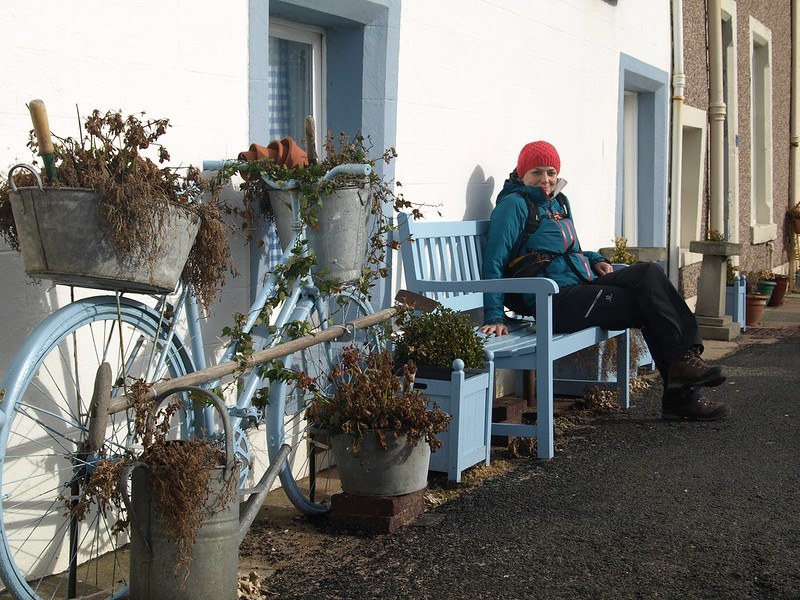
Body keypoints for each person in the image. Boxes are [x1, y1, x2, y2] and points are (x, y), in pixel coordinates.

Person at [478, 140, 730, 421]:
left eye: (551, 172)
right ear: (523, 173)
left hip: (578, 287)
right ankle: (681, 393)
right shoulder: (513, 205)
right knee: (648, 304)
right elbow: (494, 262)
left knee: (649, 273)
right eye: (536, 172)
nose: (545, 180)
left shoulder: (558, 203)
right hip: (551, 301)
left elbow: (571, 252)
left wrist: (597, 258)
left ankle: (686, 361)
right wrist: (494, 313)